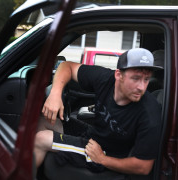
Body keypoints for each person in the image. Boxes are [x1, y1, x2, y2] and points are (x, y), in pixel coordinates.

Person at [34, 48, 163, 175]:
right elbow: (67, 66)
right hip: (91, 135)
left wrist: (103, 159)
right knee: (44, 120)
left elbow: (143, 167)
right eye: (136, 78)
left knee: (40, 139)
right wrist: (55, 93)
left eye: (146, 79)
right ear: (118, 75)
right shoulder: (105, 79)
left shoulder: (149, 113)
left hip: (104, 153)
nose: (141, 87)